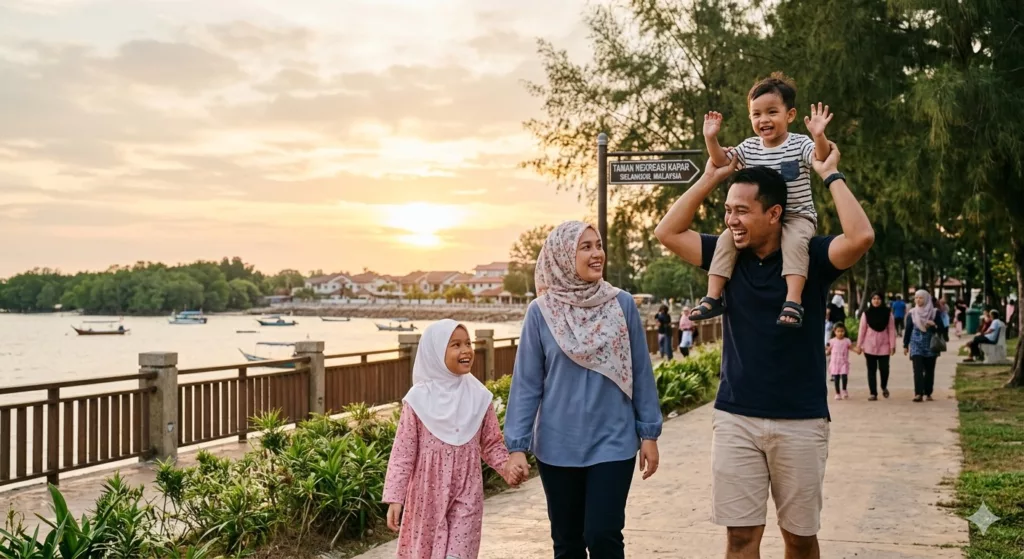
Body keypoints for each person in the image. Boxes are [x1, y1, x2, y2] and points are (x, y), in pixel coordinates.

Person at [655, 140, 874, 559]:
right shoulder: (726, 257)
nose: (731, 220)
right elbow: (667, 231)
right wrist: (712, 177)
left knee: (800, 539)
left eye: (741, 211)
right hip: (736, 417)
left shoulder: (811, 255)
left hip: (802, 420)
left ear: (774, 214)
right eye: (728, 210)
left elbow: (861, 235)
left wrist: (829, 174)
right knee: (739, 540)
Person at [504, 221, 663, 559]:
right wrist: (516, 446)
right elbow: (527, 384)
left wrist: (649, 433)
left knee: (603, 534)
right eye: (586, 247)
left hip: (613, 441)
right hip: (557, 444)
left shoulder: (622, 305)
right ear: (562, 256)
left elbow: (640, 372)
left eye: (598, 245)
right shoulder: (540, 313)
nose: (597, 254)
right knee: (568, 541)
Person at [691, 72, 833, 328]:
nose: (764, 120)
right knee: (725, 240)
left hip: (796, 215)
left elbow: (821, 158)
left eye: (771, 112)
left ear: (789, 115)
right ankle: (712, 296)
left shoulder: (799, 143)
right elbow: (723, 162)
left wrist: (819, 135)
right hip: (759, 221)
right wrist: (711, 139)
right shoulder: (749, 147)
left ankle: (793, 300)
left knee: (794, 243)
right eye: (757, 114)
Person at [383, 319, 526, 559]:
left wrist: (507, 468)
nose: (466, 350)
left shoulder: (480, 397)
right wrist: (395, 498)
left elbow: (490, 444)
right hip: (426, 497)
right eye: (456, 345)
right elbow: (403, 453)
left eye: (468, 343)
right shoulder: (418, 399)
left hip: (466, 494)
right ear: (436, 352)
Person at [902, 290, 945, 402]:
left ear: (926, 299)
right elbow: (908, 330)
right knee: (917, 369)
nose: (918, 300)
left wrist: (934, 324)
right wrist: (905, 345)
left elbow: (942, 329)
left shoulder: (935, 312)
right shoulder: (912, 313)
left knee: (929, 370)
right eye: (916, 298)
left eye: (921, 298)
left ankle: (928, 392)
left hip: (931, 344)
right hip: (916, 343)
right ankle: (918, 393)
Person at [857, 292, 896, 400]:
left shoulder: (888, 313)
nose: (876, 300)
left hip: (884, 345)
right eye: (874, 298)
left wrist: (892, 346)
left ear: (882, 300)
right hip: (869, 346)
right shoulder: (866, 314)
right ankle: (873, 393)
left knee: (884, 369)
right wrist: (859, 345)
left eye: (878, 298)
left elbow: (892, 330)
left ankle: (884, 386)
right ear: (871, 300)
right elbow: (862, 330)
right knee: (871, 370)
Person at [827, 322, 861, 400]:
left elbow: (851, 347)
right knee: (836, 378)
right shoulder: (832, 341)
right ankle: (837, 393)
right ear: (834, 331)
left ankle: (844, 390)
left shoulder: (847, 341)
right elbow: (828, 350)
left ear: (844, 331)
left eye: (842, 331)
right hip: (835, 363)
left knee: (844, 377)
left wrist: (857, 351)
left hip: (843, 363)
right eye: (838, 331)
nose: (840, 333)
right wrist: (826, 353)